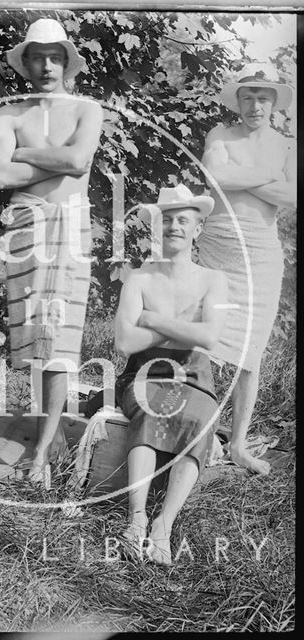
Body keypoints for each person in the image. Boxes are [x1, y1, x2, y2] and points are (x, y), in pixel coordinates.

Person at [0, 18, 103, 483]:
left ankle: (42, 454)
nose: (46, 65)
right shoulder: (8, 115)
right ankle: (48, 427)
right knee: (34, 331)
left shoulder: (87, 109)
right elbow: (1, 177)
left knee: (59, 331)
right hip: (24, 226)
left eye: (55, 57)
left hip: (68, 225)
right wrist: (54, 161)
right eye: (37, 56)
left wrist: (25, 154)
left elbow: (79, 162)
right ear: (26, 63)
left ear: (67, 63)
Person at [114, 184, 228, 565]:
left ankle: (164, 524)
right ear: (155, 228)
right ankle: (137, 518)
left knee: (198, 417)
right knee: (151, 406)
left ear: (198, 229)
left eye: (183, 220)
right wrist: (181, 326)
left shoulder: (213, 279)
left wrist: (151, 318)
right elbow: (125, 342)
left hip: (193, 377)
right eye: (166, 220)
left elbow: (210, 336)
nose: (173, 226)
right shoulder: (140, 278)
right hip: (143, 375)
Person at [197, 63, 296, 475]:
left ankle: (237, 443)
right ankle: (200, 435)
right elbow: (212, 177)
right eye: (248, 97)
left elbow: (291, 195)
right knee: (204, 340)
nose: (256, 105)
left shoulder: (285, 145)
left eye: (264, 97)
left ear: (274, 103)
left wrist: (238, 178)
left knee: (248, 355)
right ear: (238, 101)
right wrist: (264, 177)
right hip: (218, 247)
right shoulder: (220, 135)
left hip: (261, 253)